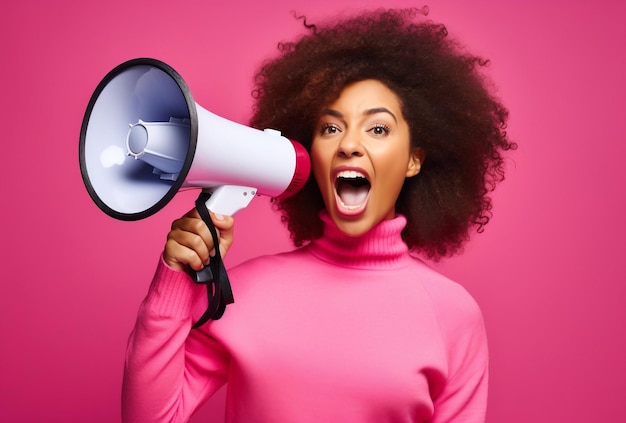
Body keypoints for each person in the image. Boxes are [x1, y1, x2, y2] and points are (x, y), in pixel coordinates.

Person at [122, 7, 516, 423]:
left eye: (377, 129)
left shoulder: (453, 314)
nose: (349, 144)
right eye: (331, 128)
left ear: (414, 160)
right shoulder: (242, 292)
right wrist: (174, 280)